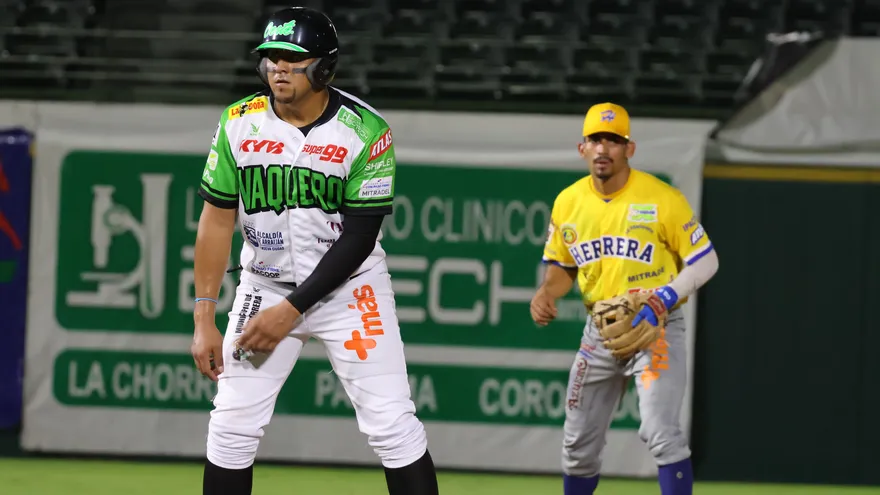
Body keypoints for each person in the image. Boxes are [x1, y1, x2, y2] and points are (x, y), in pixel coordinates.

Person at [190, 7, 439, 495]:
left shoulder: (365, 130)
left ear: (325, 67)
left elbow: (359, 237)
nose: (279, 68)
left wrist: (292, 310)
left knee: (391, 423)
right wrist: (204, 318)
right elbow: (216, 221)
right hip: (265, 285)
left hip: (350, 291)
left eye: (293, 58)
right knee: (231, 425)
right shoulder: (238, 122)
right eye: (272, 57)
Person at [530, 103, 719, 495]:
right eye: (596, 139)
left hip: (656, 326)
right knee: (577, 448)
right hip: (599, 331)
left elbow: (706, 260)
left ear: (629, 149)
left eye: (613, 140)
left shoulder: (661, 197)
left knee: (660, 430)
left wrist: (662, 299)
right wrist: (547, 291)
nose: (603, 148)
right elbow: (563, 266)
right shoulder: (568, 202)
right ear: (582, 148)